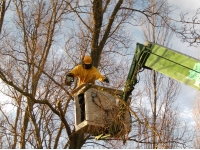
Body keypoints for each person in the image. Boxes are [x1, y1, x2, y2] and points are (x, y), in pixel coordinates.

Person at [65, 55, 109, 121]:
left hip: (90, 89)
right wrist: (69, 75)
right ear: (83, 63)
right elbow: (72, 73)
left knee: (92, 104)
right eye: (86, 65)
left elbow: (98, 76)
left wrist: (103, 79)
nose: (87, 66)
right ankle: (83, 119)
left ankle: (93, 118)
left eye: (88, 65)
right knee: (81, 104)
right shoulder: (79, 68)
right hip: (81, 89)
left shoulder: (93, 70)